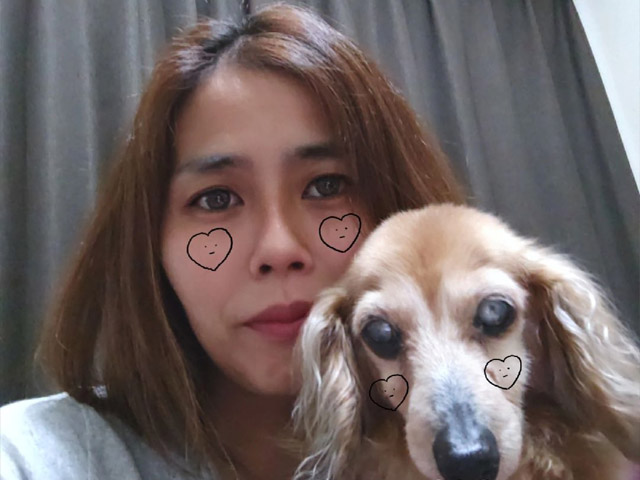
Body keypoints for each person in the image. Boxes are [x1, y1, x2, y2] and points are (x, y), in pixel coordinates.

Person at [0, 3, 464, 480]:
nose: (279, 250)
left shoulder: (486, 441)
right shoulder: (35, 456)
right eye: (216, 198)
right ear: (151, 246)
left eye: (327, 186)